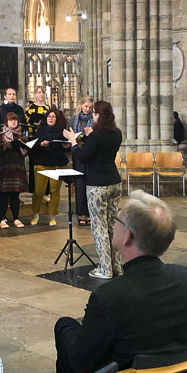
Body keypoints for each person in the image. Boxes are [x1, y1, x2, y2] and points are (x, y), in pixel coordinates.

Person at [54, 191, 187, 373]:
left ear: (127, 236)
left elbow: (79, 358)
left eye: (116, 219)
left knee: (65, 327)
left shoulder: (110, 296)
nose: (113, 223)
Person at [63, 101, 122, 279]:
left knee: (99, 227)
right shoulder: (116, 133)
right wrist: (90, 135)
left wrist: (73, 142)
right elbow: (102, 150)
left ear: (97, 115)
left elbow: (83, 157)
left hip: (97, 184)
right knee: (112, 225)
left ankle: (104, 269)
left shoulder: (97, 135)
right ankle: (116, 266)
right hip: (114, 181)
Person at [30, 108, 70, 226]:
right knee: (39, 191)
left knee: (55, 191)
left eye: (53, 117)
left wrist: (66, 146)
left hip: (58, 164)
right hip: (42, 163)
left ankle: (52, 216)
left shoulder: (62, 132)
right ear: (46, 118)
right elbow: (33, 146)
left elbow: (66, 147)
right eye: (49, 116)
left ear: (56, 119)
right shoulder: (40, 131)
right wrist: (41, 145)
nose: (51, 118)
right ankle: (35, 213)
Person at [0, 112, 28, 229]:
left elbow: (24, 151)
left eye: (15, 120)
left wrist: (24, 152)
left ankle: (16, 218)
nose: (13, 122)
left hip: (17, 167)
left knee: (15, 195)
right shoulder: (0, 135)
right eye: (11, 120)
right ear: (6, 122)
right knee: (3, 195)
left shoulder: (21, 136)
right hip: (4, 168)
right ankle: (2, 218)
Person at [70, 97, 95, 224]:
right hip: (78, 154)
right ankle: (81, 214)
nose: (88, 109)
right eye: (86, 106)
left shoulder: (94, 120)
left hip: (90, 153)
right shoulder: (74, 119)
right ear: (81, 106)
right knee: (80, 184)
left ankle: (90, 213)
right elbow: (69, 134)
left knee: (90, 184)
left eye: (90, 107)